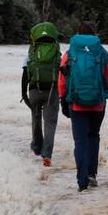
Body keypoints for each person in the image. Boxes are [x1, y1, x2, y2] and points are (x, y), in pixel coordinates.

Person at [59, 22, 108, 192]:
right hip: (98, 105)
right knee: (93, 137)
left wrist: (63, 101)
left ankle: (82, 181)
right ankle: (92, 175)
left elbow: (62, 80)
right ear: (94, 34)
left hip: (76, 104)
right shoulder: (101, 52)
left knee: (80, 141)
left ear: (78, 34)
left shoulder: (69, 53)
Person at [21, 22, 62, 168]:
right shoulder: (56, 52)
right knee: (50, 123)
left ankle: (37, 146)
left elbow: (25, 76)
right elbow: (62, 73)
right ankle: (47, 156)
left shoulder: (31, 53)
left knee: (36, 118)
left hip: (34, 91)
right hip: (52, 90)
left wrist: (24, 95)